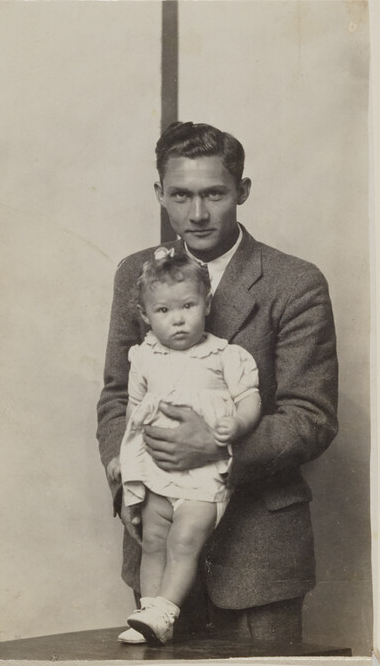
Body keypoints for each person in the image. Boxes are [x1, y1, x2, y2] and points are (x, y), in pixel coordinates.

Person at [96, 121, 338, 645]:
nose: (197, 213)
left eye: (214, 194)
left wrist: (216, 448)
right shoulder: (136, 274)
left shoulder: (295, 282)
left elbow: (311, 417)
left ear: (242, 192)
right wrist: (127, 480)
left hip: (258, 560)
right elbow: (118, 394)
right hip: (154, 541)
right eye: (180, 195)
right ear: (160, 193)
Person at [107, 249, 261, 644]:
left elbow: (250, 397)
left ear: (206, 304)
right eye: (163, 311)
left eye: (188, 306)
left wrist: (238, 423)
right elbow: (134, 412)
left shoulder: (225, 355)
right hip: (158, 471)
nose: (177, 319)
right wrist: (124, 460)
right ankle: (149, 612)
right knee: (154, 542)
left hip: (204, 474)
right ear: (145, 316)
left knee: (184, 540)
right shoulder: (143, 357)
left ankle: (165, 611)